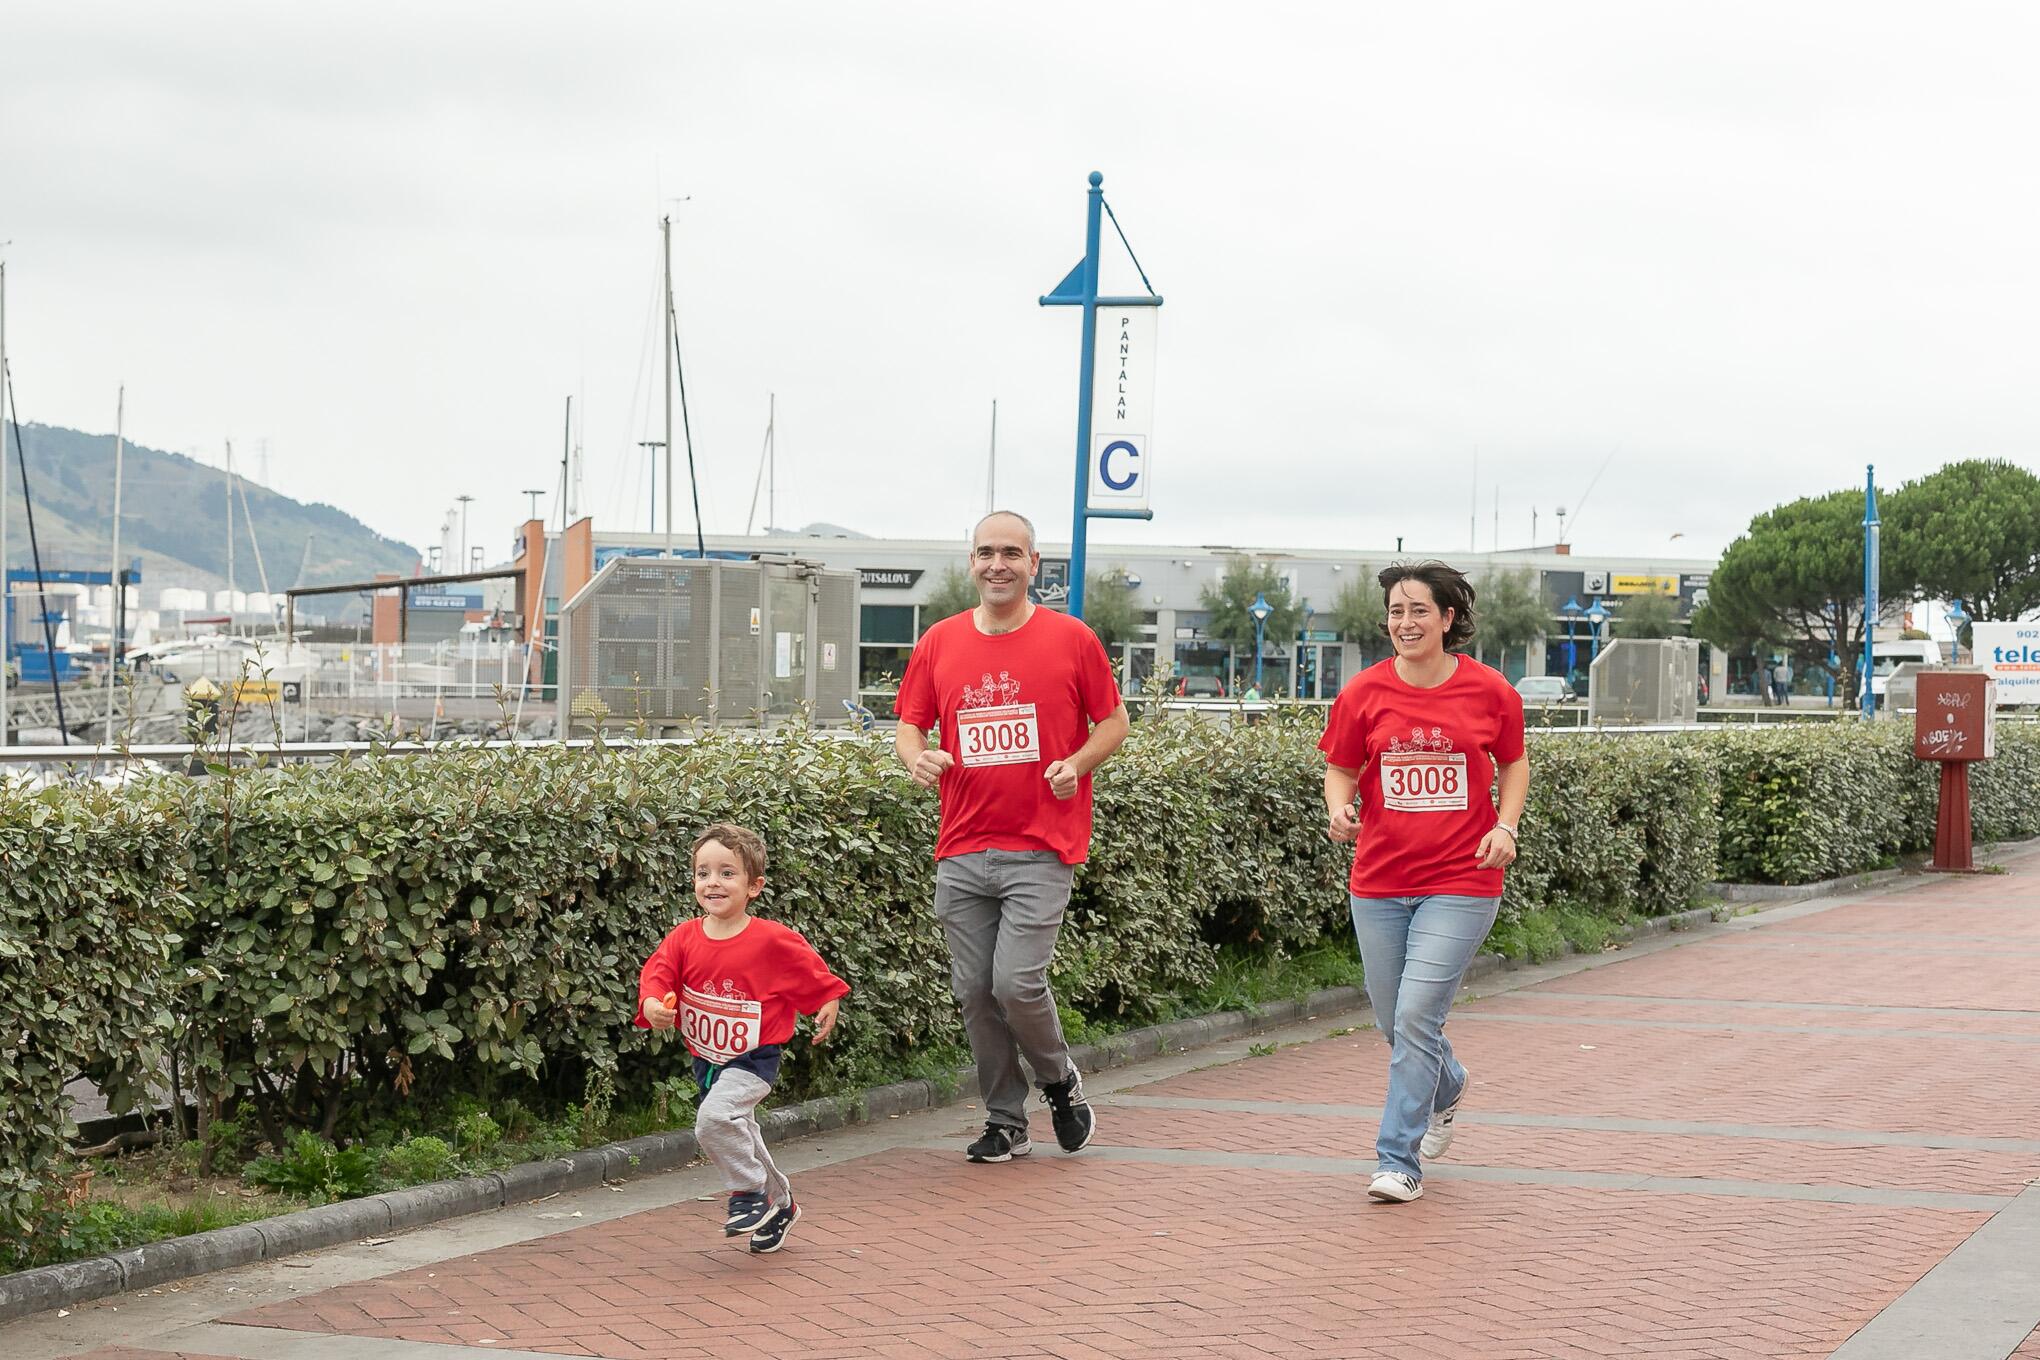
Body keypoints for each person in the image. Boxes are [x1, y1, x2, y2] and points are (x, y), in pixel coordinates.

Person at [895, 510, 1130, 1163]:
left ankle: (1058, 1081)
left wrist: (1077, 764)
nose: (996, 564)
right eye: (984, 552)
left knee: (1015, 985)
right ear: (970, 563)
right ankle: (1006, 1119)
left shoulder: (1071, 639)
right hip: (962, 845)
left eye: (1010, 553)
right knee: (973, 991)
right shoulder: (939, 642)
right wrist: (916, 758)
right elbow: (909, 728)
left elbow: (1113, 721)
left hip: (1041, 844)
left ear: (1034, 565)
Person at [1320, 561, 1529, 1205]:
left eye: (1418, 611)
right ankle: (1448, 1082)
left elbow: (1514, 763)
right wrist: (1338, 810)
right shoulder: (1363, 693)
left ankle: (1398, 1158)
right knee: (1395, 1019)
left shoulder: (1491, 691)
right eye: (1395, 611)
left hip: (1462, 880)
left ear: (1447, 619)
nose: (1404, 623)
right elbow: (1342, 766)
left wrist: (1506, 826)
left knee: (1416, 1014)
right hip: (1379, 881)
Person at [637, 823, 848, 1253]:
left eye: (727, 873)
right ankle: (782, 1205)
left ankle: (748, 1193)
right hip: (707, 1060)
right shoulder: (683, 938)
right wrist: (653, 1007)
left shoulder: (770, 939)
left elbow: (810, 972)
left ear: (754, 886)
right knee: (742, 1134)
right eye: (703, 873)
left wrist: (828, 999)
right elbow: (656, 976)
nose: (713, 882)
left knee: (714, 1121)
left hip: (754, 1059)